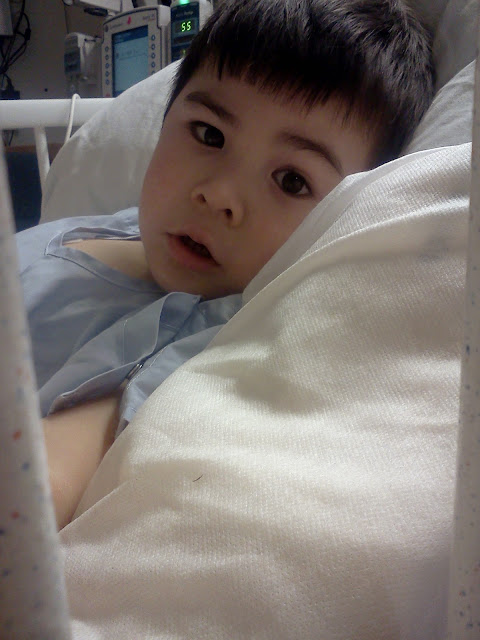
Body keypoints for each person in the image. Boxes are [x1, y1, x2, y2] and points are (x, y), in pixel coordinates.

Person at [16, 0, 435, 529]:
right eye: (209, 134)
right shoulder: (106, 224)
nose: (218, 195)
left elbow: (46, 481)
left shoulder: (195, 327)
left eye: (291, 181)